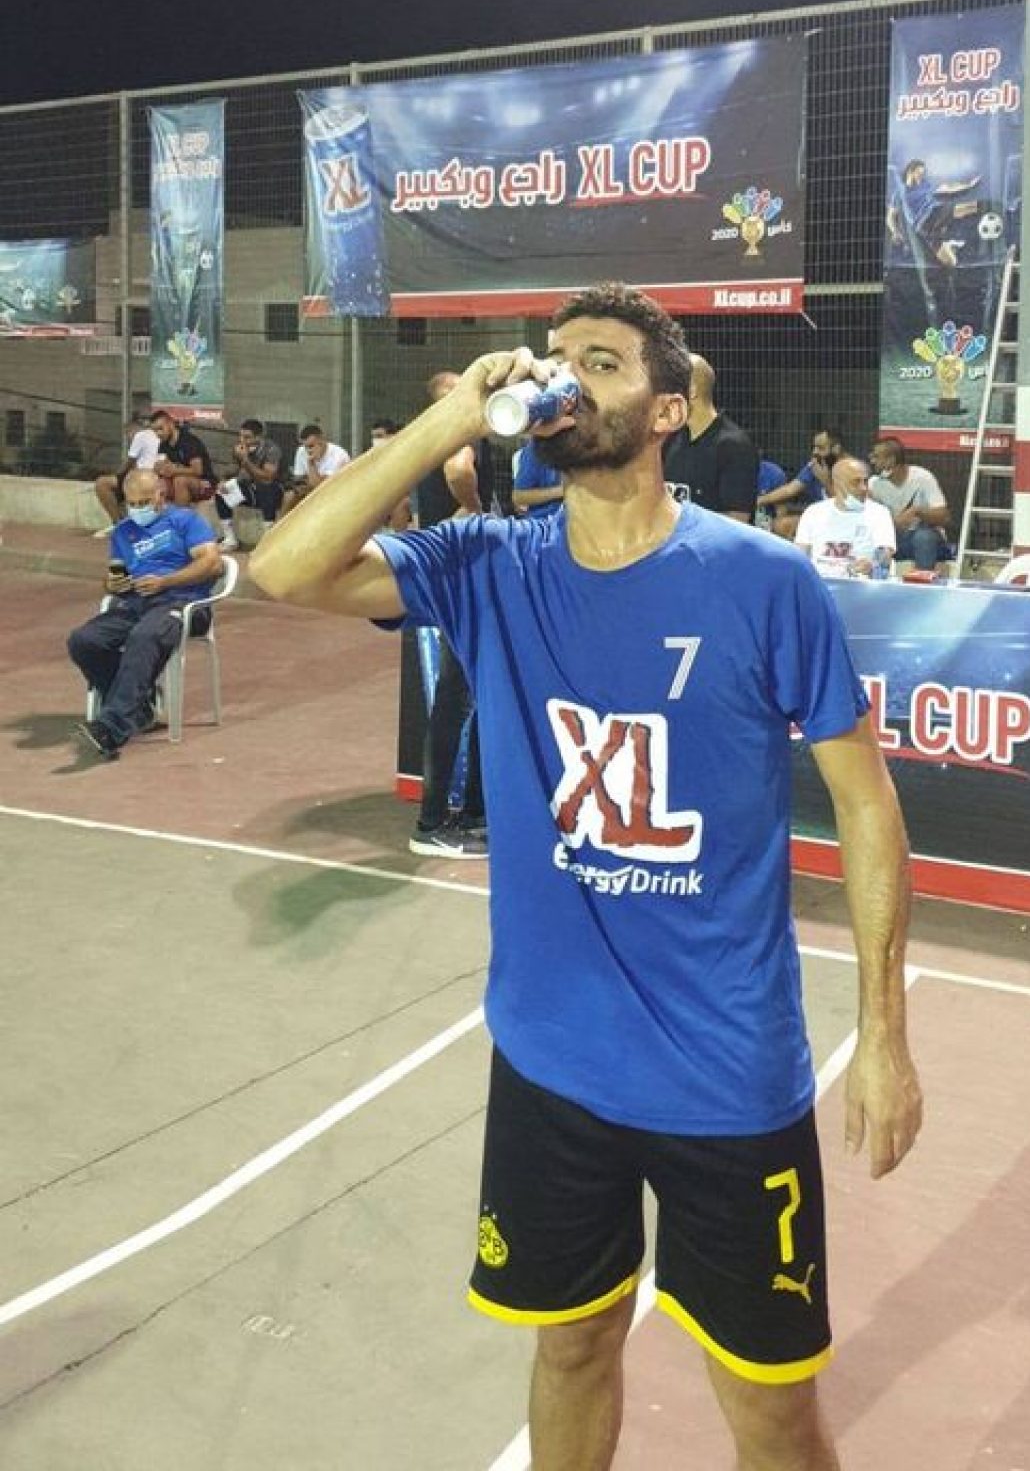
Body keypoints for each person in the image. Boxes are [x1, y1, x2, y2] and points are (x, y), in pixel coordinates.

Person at [249, 280, 922, 1471]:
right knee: (567, 1346)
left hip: (725, 1075)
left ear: (666, 411)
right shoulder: (489, 562)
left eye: (599, 361)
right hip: (551, 1062)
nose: (560, 376)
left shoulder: (762, 581)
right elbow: (284, 569)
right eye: (553, 356)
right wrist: (454, 416)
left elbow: (868, 806)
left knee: (768, 1404)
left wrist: (883, 1033)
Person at [69, 467, 223, 760]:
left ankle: (111, 728)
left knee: (144, 636)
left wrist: (166, 581)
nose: (138, 509)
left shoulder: (185, 521)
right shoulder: (123, 532)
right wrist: (112, 584)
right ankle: (139, 707)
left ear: (160, 496)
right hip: (136, 604)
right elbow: (115, 575)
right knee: (83, 640)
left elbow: (212, 564)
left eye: (144, 502)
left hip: (183, 603)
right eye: (132, 503)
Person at [404, 371, 493, 857]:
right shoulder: (460, 437)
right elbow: (460, 472)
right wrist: (478, 513)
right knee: (456, 701)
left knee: (474, 697)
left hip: (455, 577)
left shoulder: (428, 440)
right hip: (465, 582)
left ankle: (476, 809)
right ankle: (432, 822)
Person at [661, 353, 758, 520]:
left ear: (691, 391)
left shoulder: (733, 446)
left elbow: (737, 519)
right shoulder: (672, 440)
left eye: (671, 388)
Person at [795, 458, 896, 579]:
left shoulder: (879, 513)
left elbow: (885, 554)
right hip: (819, 582)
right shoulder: (814, 512)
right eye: (856, 482)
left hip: (859, 583)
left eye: (865, 481)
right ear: (837, 485)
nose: (864, 488)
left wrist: (873, 565)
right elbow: (801, 556)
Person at [868, 437, 952, 571]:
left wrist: (917, 511)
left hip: (929, 541)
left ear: (891, 460)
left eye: (876, 457)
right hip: (896, 540)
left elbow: (944, 516)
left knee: (923, 537)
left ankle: (922, 581)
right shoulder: (874, 484)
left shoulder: (922, 477)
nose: (872, 461)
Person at [888, 159, 982, 270]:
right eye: (919, 174)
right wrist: (895, 231)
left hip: (934, 213)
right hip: (924, 227)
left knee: (970, 207)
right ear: (910, 172)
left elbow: (947, 188)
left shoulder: (925, 185)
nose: (921, 177)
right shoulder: (899, 192)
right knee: (951, 262)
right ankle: (950, 244)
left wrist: (969, 185)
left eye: (923, 174)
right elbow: (890, 216)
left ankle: (980, 208)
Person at [760, 429, 844, 540]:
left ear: (836, 449)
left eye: (820, 448)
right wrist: (760, 500)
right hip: (818, 517)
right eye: (814, 447)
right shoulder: (815, 466)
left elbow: (844, 506)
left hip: (841, 520)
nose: (815, 452)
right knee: (781, 525)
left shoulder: (849, 469)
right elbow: (789, 490)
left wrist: (825, 481)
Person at [214, 417, 283, 550]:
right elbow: (232, 469)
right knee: (220, 493)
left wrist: (245, 460)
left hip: (274, 491)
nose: (243, 440)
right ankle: (230, 539)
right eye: (241, 436)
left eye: (247, 437)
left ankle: (269, 539)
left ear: (259, 437)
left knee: (265, 487)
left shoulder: (271, 449)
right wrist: (223, 480)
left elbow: (268, 477)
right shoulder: (240, 448)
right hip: (249, 488)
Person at [92, 408, 161, 533]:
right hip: (151, 476)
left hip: (145, 478)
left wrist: (117, 474)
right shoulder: (158, 434)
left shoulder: (141, 435)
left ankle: (118, 524)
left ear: (134, 427)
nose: (128, 437)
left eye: (128, 432)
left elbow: (129, 462)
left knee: (102, 483)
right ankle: (124, 523)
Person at [150, 408, 217, 508]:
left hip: (204, 482)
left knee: (180, 480)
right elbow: (163, 465)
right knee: (158, 482)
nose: (158, 434)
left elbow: (198, 470)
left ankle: (180, 516)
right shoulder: (163, 444)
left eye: (160, 429)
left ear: (171, 424)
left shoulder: (189, 441)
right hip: (179, 480)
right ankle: (162, 515)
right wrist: (159, 468)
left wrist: (174, 470)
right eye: (155, 431)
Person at [280, 423, 352, 512]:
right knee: (289, 496)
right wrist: (312, 481)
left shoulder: (339, 455)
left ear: (322, 441)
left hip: (336, 493)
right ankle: (279, 521)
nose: (308, 450)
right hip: (311, 490)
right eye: (305, 446)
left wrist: (311, 463)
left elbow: (321, 487)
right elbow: (299, 479)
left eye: (311, 446)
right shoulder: (301, 451)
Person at [369, 420, 412, 531]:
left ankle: (400, 537)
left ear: (392, 436)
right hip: (380, 497)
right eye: (374, 437)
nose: (376, 440)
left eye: (379, 436)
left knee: (400, 503)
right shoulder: (372, 457)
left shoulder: (404, 455)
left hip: (400, 497)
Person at [511, 434, 565, 518]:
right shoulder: (536, 450)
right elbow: (519, 497)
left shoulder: (584, 448)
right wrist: (562, 491)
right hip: (545, 519)